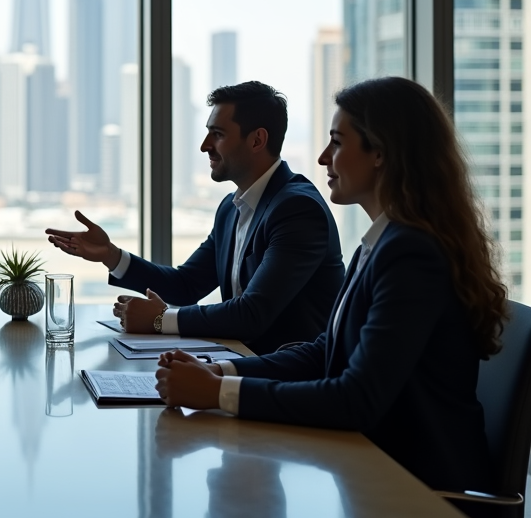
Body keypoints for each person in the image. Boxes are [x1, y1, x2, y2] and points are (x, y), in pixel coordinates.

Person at [154, 76, 509, 493]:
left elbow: (356, 399)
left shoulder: (411, 254)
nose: (323, 157)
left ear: (380, 153)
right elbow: (325, 350)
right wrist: (219, 371)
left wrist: (219, 393)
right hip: (372, 469)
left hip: (419, 493)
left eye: (337, 143)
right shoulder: (382, 243)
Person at [47, 81, 343, 355]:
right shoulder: (231, 208)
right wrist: (112, 256)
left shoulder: (297, 209)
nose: (204, 145)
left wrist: (162, 319)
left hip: (289, 383)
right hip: (240, 365)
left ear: (257, 140)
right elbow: (186, 285)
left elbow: (252, 315)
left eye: (218, 134)